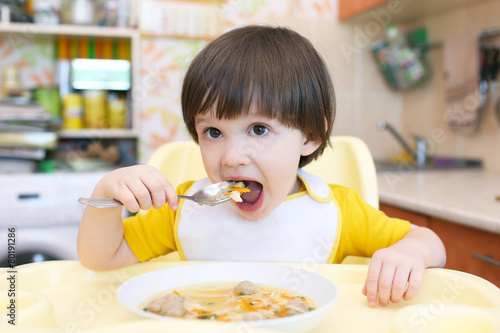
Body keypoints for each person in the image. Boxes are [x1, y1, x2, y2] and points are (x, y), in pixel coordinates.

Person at [77, 25, 446, 306]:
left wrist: (408, 253)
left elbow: (429, 242)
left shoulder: (338, 210)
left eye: (258, 129)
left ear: (310, 136)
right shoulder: (182, 208)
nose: (231, 156)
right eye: (213, 132)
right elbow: (100, 258)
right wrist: (107, 195)